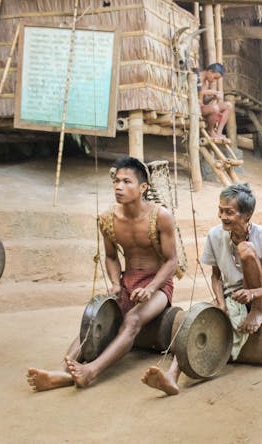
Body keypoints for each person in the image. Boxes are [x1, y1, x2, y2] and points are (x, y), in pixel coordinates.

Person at [26, 156, 178, 391]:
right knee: (94, 319)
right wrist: (116, 284)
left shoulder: (161, 216)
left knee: (132, 320)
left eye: (127, 182)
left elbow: (171, 261)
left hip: (158, 285)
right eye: (116, 181)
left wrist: (150, 288)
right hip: (127, 281)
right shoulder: (108, 219)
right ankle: (62, 371)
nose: (119, 187)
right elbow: (110, 256)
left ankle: (91, 371)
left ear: (143, 188)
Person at [142, 183, 262, 396]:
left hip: (259, 295)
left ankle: (257, 312)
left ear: (247, 215)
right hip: (230, 296)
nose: (222, 216)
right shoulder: (215, 235)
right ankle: (172, 377)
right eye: (220, 210)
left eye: (229, 212)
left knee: (247, 251)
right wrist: (220, 303)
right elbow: (216, 276)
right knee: (196, 320)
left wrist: (253, 296)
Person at [199, 62, 233, 141]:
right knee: (215, 108)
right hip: (195, 107)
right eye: (215, 78)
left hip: (203, 107)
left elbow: (204, 101)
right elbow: (198, 92)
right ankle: (210, 131)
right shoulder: (197, 77)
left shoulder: (206, 82)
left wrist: (213, 98)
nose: (214, 81)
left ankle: (219, 132)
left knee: (229, 105)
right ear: (210, 72)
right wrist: (214, 92)